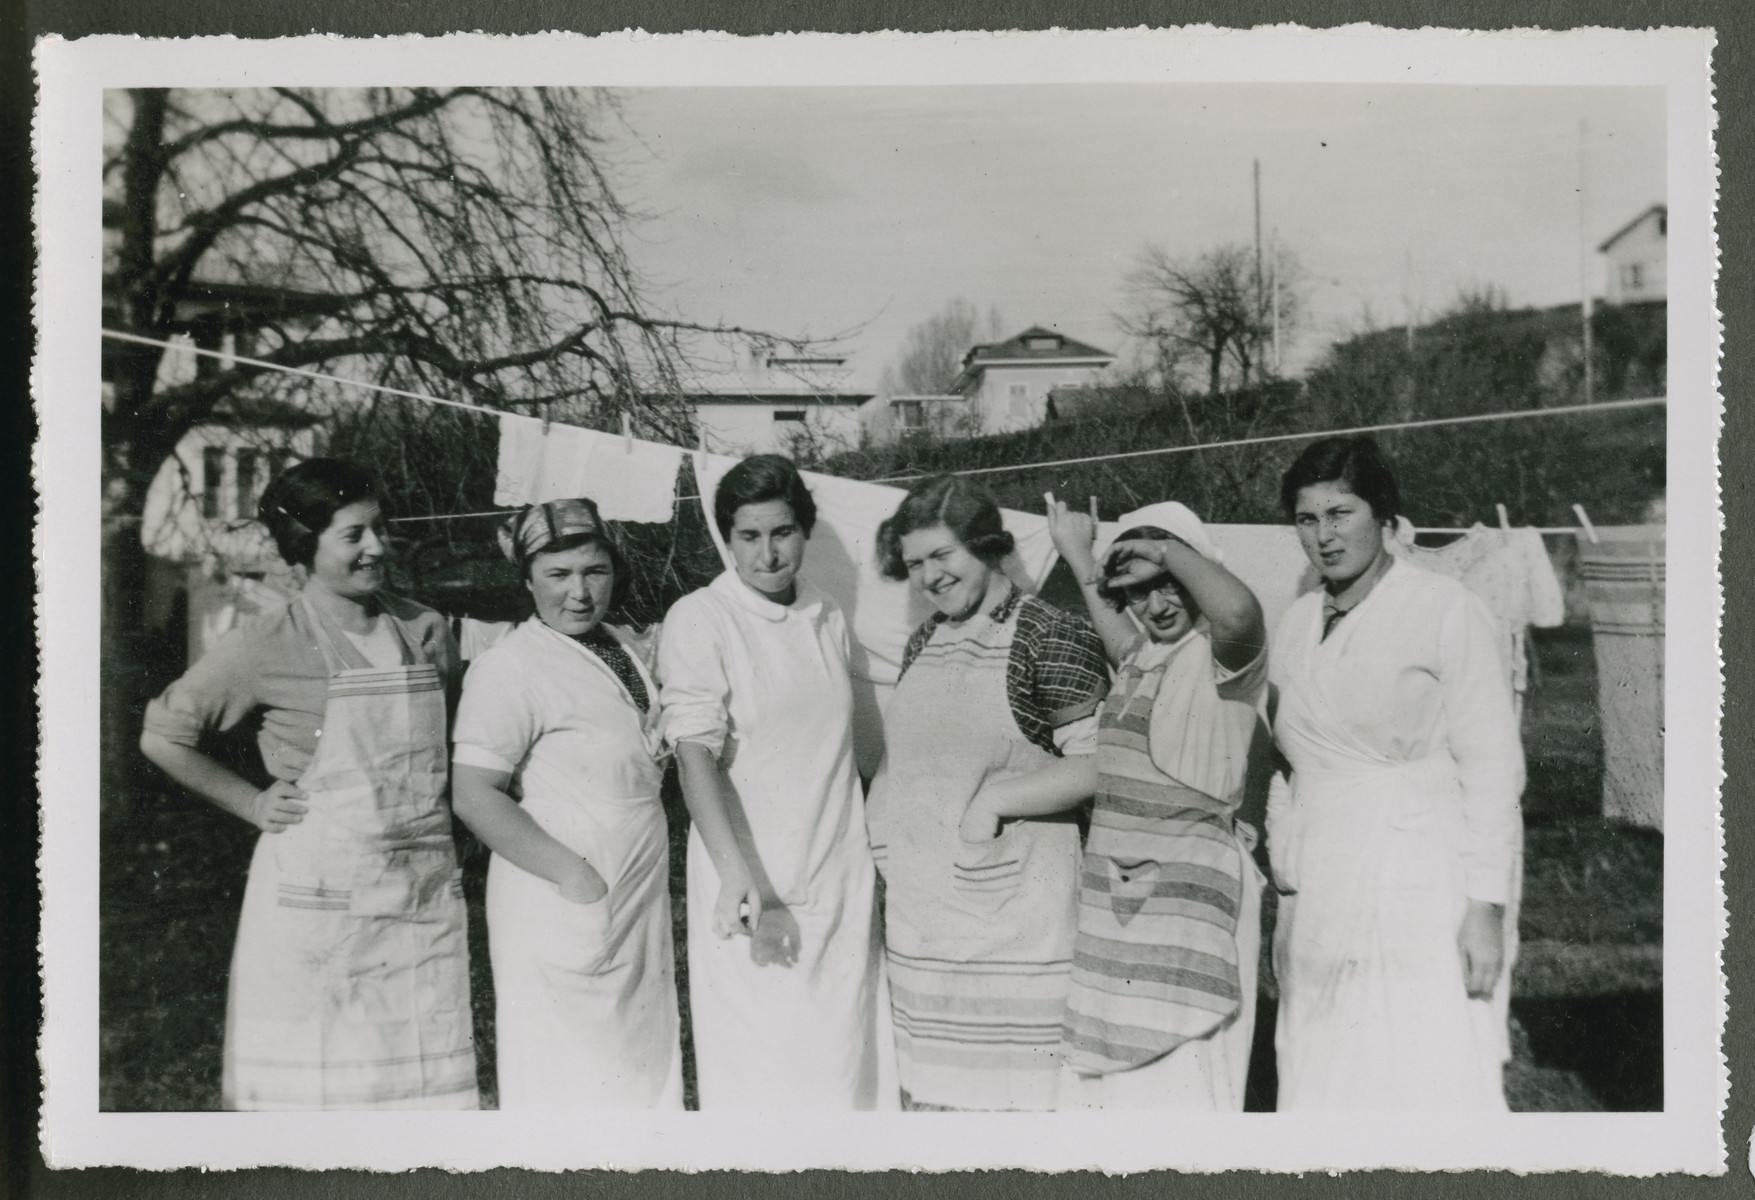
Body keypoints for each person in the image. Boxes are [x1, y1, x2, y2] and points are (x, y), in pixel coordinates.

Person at [139, 458, 477, 1111]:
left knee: (421, 1108)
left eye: (378, 528)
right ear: (305, 545)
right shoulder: (267, 642)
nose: (376, 546)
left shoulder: (426, 630)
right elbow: (163, 736)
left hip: (419, 902)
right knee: (318, 1100)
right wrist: (251, 800)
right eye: (353, 535)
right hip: (316, 906)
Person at [1268, 435, 1524, 1111]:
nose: (1322, 536)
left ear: (1383, 518)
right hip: (1320, 879)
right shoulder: (1293, 625)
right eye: (1305, 518)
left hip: (1419, 874)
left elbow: (1493, 766)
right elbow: (1280, 759)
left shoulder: (1444, 608)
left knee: (1418, 1063)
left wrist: (1485, 907)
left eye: (1339, 513)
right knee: (1321, 1066)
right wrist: (1283, 852)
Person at [867, 474, 1108, 1112]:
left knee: (1012, 1120)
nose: (929, 578)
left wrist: (993, 804)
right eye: (915, 563)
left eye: (942, 555)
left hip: (1015, 925)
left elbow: (1103, 765)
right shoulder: (925, 640)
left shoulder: (1048, 633)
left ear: (985, 544)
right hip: (925, 922)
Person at [657, 454, 885, 1109]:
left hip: (838, 873)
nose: (767, 553)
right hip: (750, 880)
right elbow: (692, 754)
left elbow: (849, 744)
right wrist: (735, 874)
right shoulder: (702, 617)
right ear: (727, 538)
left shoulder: (826, 614)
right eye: (748, 536)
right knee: (765, 1071)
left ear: (803, 532)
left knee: (841, 1066)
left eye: (781, 532)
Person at [450, 499, 682, 1109]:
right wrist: (573, 876)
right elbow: (474, 795)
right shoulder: (510, 667)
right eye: (558, 575)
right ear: (527, 579)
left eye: (594, 571)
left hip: (635, 887)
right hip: (561, 892)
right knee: (569, 1076)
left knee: (636, 1063)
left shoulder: (619, 646)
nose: (579, 593)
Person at [1044, 496, 1269, 1111]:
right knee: (1116, 1097)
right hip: (1124, 910)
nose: (1157, 605)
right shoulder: (1142, 656)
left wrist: (1164, 551)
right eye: (1140, 594)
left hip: (1189, 909)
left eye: (1171, 585)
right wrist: (1079, 555)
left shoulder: (1227, 655)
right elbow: (1118, 627)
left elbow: (1241, 608)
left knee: (1181, 1091)